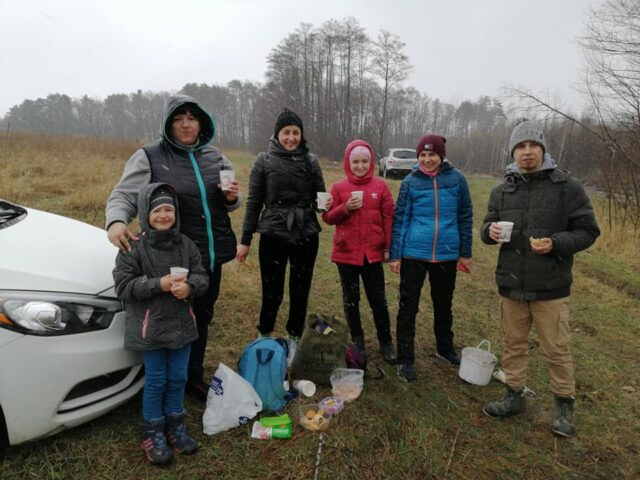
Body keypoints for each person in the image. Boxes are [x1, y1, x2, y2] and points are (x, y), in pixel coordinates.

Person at [106, 94, 241, 401]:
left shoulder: (215, 157)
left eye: (191, 118)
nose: (185, 124)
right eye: (178, 118)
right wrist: (115, 222)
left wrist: (233, 197)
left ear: (201, 122)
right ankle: (156, 380)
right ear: (168, 123)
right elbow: (124, 196)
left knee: (202, 315)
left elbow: (231, 203)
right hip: (167, 256)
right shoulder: (149, 155)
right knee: (167, 317)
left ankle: (191, 375)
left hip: (208, 255)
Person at [480, 120, 600, 437]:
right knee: (513, 344)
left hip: (550, 286)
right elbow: (486, 229)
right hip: (511, 283)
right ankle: (513, 395)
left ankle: (563, 405)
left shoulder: (567, 187)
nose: (527, 151)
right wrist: (489, 232)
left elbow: (588, 231)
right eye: (521, 146)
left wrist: (556, 243)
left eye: (533, 145)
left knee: (556, 349)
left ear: (543, 149)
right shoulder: (502, 190)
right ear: (513, 152)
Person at [113, 183, 209, 464]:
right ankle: (152, 431)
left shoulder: (187, 245)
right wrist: (159, 284)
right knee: (156, 380)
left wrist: (190, 287)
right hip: (150, 329)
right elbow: (124, 286)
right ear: (145, 213)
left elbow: (202, 276)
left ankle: (175, 427)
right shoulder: (134, 247)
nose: (164, 215)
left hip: (182, 326)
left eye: (169, 209)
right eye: (157, 210)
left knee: (178, 377)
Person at [236, 108, 327, 361]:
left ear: (301, 134)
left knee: (300, 289)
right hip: (273, 234)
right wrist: (245, 241)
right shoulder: (263, 161)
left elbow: (320, 197)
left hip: (306, 233)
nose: (291, 138)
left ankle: (294, 337)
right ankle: (264, 334)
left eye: (295, 132)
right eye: (286, 132)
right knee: (271, 289)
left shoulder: (311, 161)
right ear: (277, 134)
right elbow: (254, 202)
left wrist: (327, 205)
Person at [389, 134, 473, 383]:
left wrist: (465, 252)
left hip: (447, 253)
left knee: (443, 305)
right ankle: (405, 359)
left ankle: (445, 349)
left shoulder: (457, 179)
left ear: (441, 156)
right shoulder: (410, 182)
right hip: (414, 253)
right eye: (422, 155)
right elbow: (400, 219)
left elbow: (465, 216)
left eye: (432, 155)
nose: (427, 159)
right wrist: (395, 255)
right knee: (408, 307)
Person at [322, 139, 397, 365]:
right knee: (351, 299)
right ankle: (358, 342)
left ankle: (386, 342)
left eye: (365, 161)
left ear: (371, 162)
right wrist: (345, 208)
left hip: (373, 255)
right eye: (356, 162)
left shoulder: (380, 187)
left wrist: (387, 248)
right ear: (348, 162)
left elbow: (389, 218)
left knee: (378, 300)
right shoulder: (338, 188)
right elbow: (327, 218)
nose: (361, 166)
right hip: (346, 254)